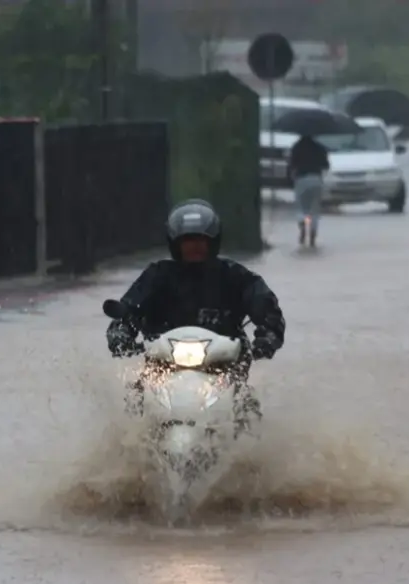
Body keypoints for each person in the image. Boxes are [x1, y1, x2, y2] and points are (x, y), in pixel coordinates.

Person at [105, 199, 286, 432]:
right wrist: (120, 331)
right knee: (134, 401)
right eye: (187, 241)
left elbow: (266, 307)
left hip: (223, 367)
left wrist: (268, 336)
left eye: (200, 241)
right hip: (164, 366)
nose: (194, 247)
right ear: (175, 244)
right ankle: (131, 456)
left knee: (246, 407)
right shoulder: (156, 276)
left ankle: (248, 456)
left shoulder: (236, 277)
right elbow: (128, 308)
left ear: (213, 242)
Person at [288, 133, 330, 246]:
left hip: (301, 179)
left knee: (302, 208)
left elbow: (291, 165)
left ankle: (303, 224)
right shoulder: (320, 148)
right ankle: (312, 235)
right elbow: (326, 166)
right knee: (314, 210)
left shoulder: (296, 147)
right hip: (316, 179)